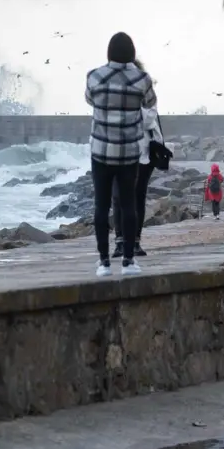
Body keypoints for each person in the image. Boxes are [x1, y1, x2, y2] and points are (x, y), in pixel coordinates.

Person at [85, 31, 158, 276]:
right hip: (128, 153)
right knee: (128, 205)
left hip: (101, 152)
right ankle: (128, 261)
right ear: (132, 53)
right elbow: (150, 104)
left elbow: (89, 99)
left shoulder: (94, 77)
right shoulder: (142, 79)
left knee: (101, 206)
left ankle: (104, 262)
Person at [112, 57, 163, 259]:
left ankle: (135, 242)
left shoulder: (145, 90)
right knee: (118, 197)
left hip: (144, 151)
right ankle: (119, 242)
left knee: (138, 196)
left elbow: (149, 118)